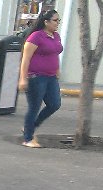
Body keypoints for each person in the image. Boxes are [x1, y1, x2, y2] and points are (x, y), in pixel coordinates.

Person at [18, 10, 62, 149]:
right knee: (34, 107)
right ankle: (28, 138)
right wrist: (23, 79)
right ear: (46, 21)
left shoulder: (56, 36)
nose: (57, 23)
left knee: (54, 104)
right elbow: (26, 59)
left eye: (58, 21)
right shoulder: (36, 36)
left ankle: (31, 126)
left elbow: (55, 53)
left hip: (51, 77)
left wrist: (57, 69)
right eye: (55, 20)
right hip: (36, 77)